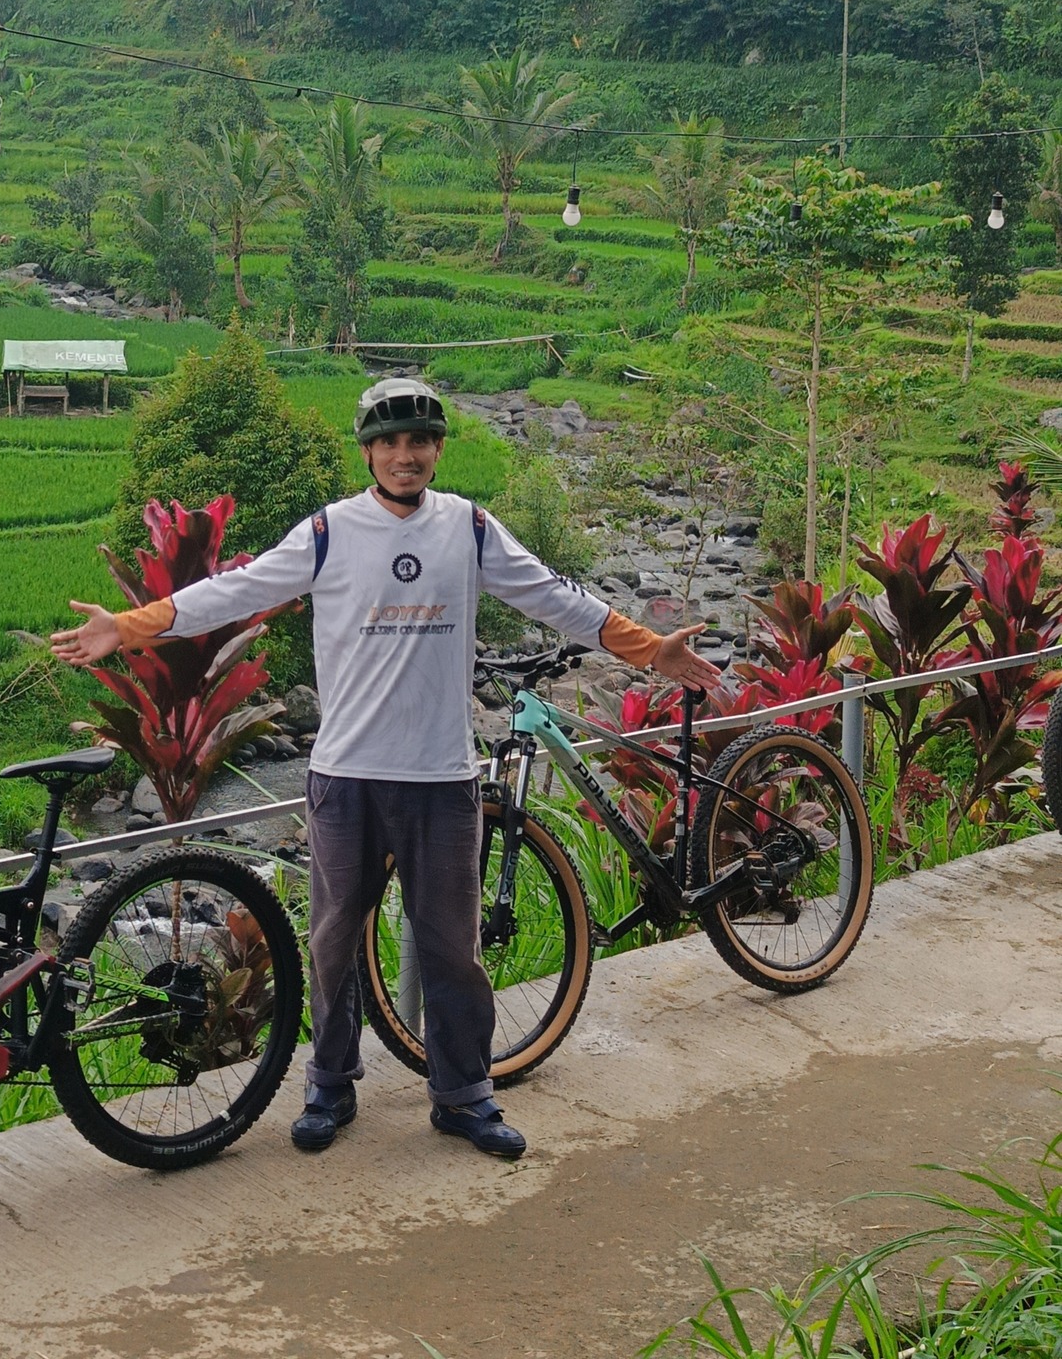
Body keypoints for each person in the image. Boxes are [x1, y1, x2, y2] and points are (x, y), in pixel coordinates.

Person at [51, 376, 720, 1161]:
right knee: (333, 942)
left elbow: (554, 598)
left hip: (441, 778)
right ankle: (330, 1084)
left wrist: (651, 648)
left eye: (420, 441)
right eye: (390, 442)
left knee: (453, 946)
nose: (406, 455)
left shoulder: (469, 529)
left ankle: (465, 1094)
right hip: (347, 777)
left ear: (438, 448)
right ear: (369, 451)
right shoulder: (331, 532)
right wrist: (126, 627)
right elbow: (234, 591)